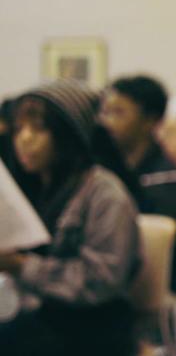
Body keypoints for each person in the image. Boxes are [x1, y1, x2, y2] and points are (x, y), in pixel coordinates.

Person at [0, 80, 141, 356]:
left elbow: (102, 280)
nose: (24, 139)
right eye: (18, 130)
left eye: (38, 129)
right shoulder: (36, 186)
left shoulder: (105, 192)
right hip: (41, 314)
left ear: (67, 135)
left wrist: (22, 266)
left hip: (93, 328)